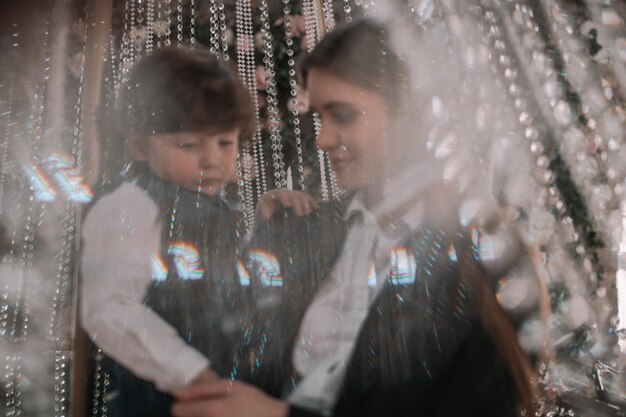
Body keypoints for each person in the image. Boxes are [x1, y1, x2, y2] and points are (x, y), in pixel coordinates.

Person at [172, 19, 537, 417]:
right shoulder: (307, 228)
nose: (324, 139)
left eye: (343, 116)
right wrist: (261, 244)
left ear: (410, 110)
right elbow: (235, 344)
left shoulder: (484, 258)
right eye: (319, 118)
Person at [81, 47, 316, 417]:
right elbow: (109, 308)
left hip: (224, 394)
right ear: (139, 145)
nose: (212, 159)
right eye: (188, 145)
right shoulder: (130, 205)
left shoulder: (209, 205)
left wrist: (261, 220)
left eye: (225, 142)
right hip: (165, 399)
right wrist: (190, 372)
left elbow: (219, 276)